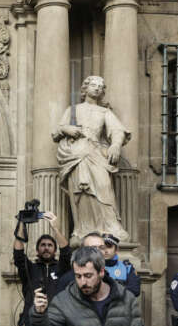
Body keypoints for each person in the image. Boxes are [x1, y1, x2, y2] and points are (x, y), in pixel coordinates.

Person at [53, 75, 131, 241]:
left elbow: (118, 131)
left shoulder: (105, 112)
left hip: (96, 153)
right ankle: (82, 230)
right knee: (80, 193)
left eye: (101, 86)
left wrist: (116, 145)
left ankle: (110, 227)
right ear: (85, 88)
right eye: (93, 85)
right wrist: (66, 129)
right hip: (75, 155)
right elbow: (56, 132)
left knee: (104, 188)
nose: (97, 88)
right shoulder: (72, 110)